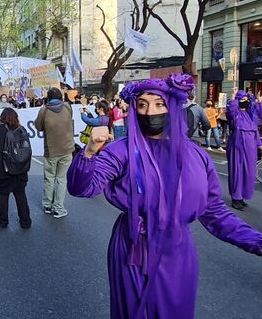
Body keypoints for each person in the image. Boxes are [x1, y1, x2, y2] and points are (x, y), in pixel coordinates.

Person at [67, 74, 262, 319]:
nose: (150, 112)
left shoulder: (196, 156)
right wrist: (89, 152)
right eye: (142, 105)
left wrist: (256, 242)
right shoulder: (122, 150)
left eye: (159, 104)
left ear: (172, 106)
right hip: (132, 250)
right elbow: (81, 188)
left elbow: (215, 213)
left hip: (178, 253)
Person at [0, 108, 32, 229]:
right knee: (20, 195)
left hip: (4, 169)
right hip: (20, 169)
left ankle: (3, 221)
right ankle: (25, 221)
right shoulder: (22, 129)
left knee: (3, 195)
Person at [35, 87, 75, 218]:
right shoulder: (68, 107)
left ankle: (47, 205)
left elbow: (38, 127)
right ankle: (58, 208)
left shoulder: (44, 110)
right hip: (67, 148)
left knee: (49, 178)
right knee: (62, 179)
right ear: (60, 96)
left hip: (51, 150)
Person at [226, 88, 262, 210]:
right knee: (237, 171)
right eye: (242, 99)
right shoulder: (235, 114)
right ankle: (236, 198)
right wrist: (234, 96)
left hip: (251, 148)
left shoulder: (251, 115)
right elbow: (231, 108)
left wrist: (259, 144)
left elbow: (255, 130)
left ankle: (242, 196)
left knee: (249, 172)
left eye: (247, 99)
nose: (245, 101)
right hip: (237, 146)